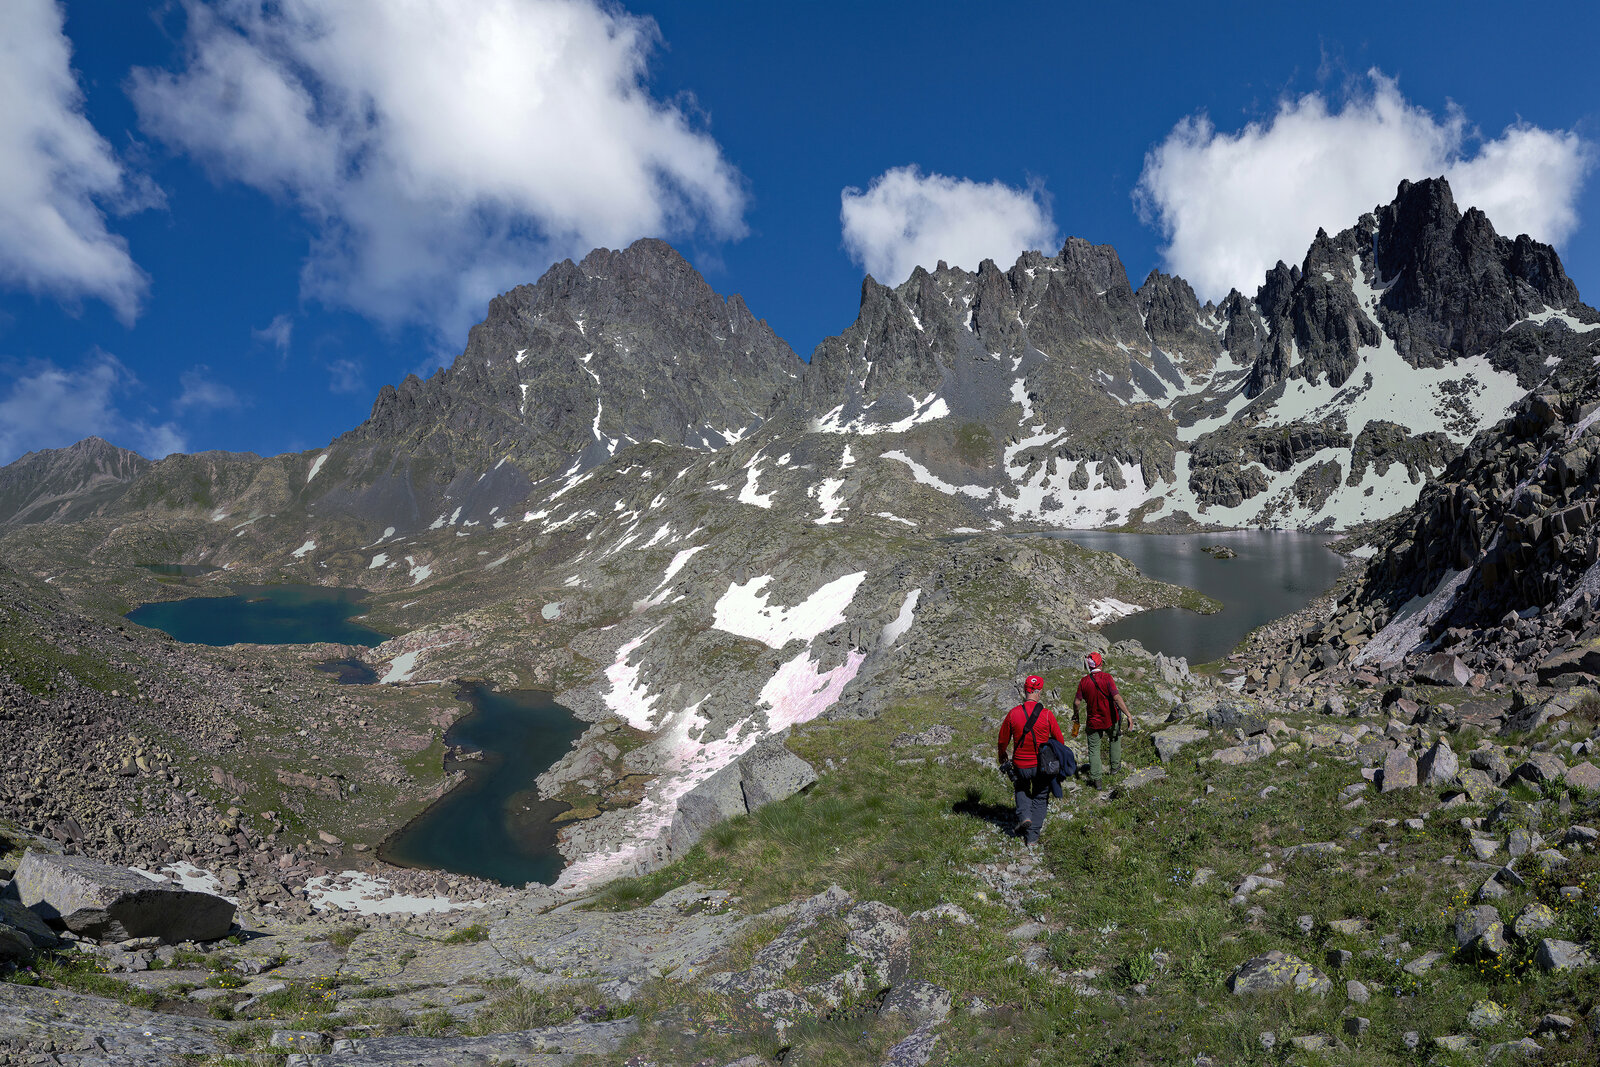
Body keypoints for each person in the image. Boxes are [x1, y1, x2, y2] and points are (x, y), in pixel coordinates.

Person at [996, 675, 1065, 845]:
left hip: (1020, 763)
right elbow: (1060, 741)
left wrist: (1002, 754)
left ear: (1025, 690)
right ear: (1039, 691)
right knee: (1040, 797)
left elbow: (1002, 739)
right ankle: (1032, 837)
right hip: (1042, 765)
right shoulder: (1047, 714)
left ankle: (1025, 816)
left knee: (1021, 789)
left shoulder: (1013, 713)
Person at [1073, 651, 1135, 791]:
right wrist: (1128, 715)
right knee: (1114, 738)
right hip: (1110, 718)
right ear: (1100, 663)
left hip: (1093, 721)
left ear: (1089, 667)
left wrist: (1076, 715)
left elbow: (1077, 702)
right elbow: (1117, 698)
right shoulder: (1107, 678)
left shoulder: (1084, 681)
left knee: (1094, 748)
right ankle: (1114, 768)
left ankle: (1097, 780)